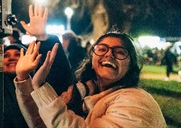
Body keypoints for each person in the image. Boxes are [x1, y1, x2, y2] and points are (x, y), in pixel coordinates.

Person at [0, 0, 71, 128]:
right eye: (5, 56)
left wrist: (43, 37)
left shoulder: (40, 85)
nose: (11, 58)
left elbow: (62, 76)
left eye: (18, 55)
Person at [14, 31, 167, 127]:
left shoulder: (136, 101)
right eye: (102, 49)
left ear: (131, 66)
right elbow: (43, 123)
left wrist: (41, 88)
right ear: (92, 61)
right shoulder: (82, 94)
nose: (109, 54)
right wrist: (23, 79)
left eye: (120, 52)